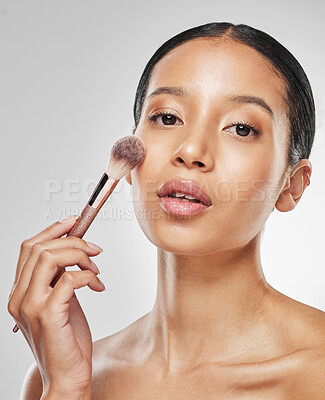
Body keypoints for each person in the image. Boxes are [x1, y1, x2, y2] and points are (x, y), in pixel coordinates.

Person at [8, 22, 325, 399]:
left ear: (292, 184)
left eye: (240, 128)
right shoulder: (61, 377)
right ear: (132, 150)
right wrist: (65, 388)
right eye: (168, 118)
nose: (190, 151)